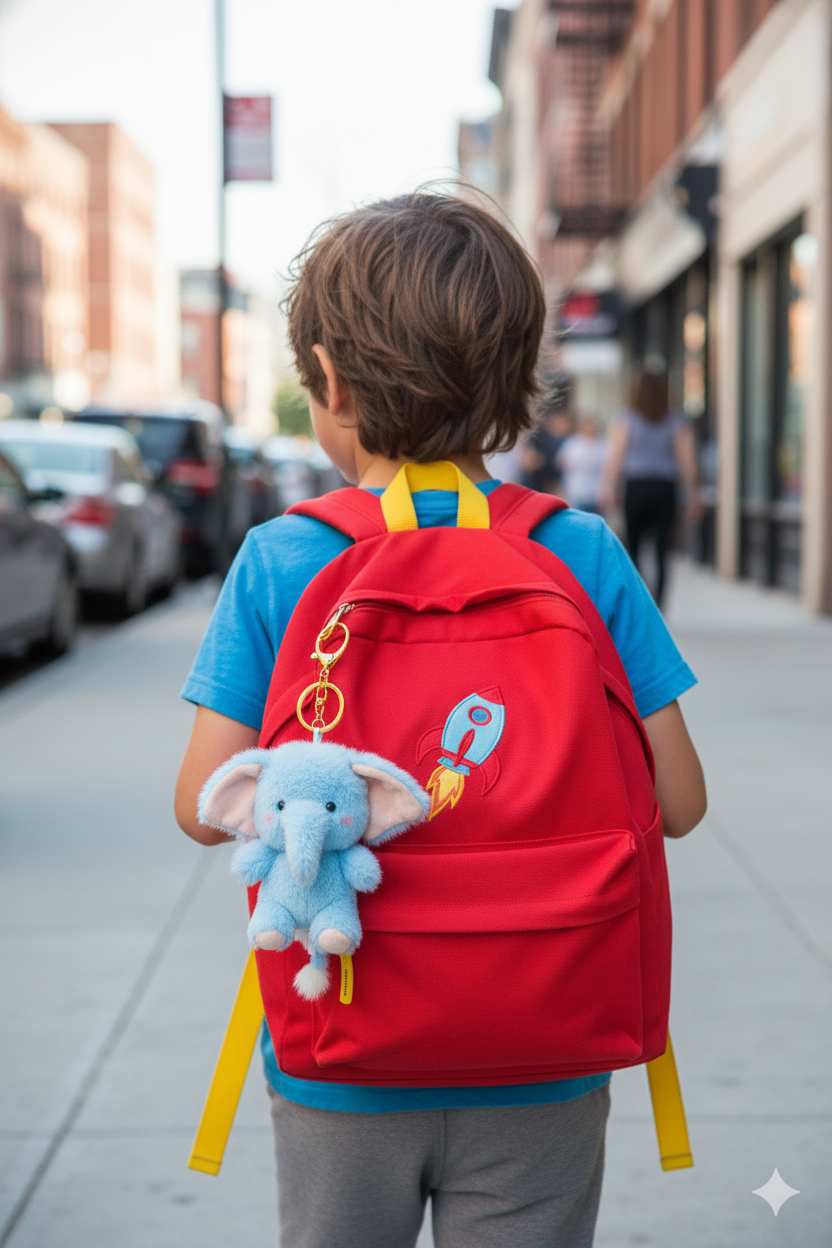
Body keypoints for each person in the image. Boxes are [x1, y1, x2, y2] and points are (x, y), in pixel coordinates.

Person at [174, 193, 706, 1248]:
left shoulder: (285, 560)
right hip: (548, 1044)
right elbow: (679, 803)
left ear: (327, 380)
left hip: (344, 1033)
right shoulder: (580, 551)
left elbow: (203, 807)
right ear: (517, 381)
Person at [601, 370, 702, 610]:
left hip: (635, 487)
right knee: (661, 551)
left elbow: (616, 457)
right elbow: (687, 460)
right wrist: (694, 494)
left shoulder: (626, 419)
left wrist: (608, 488)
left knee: (633, 548)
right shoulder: (676, 420)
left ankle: (637, 605)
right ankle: (659, 607)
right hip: (664, 489)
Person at [556, 415, 608, 513]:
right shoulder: (573, 444)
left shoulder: (602, 445)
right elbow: (561, 462)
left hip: (596, 493)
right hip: (577, 491)